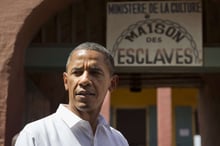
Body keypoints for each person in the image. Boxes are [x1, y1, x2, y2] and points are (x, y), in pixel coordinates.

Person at [15, 42, 129, 146]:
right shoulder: (35, 135)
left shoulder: (118, 140)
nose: (84, 80)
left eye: (95, 73)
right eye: (77, 72)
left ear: (112, 83)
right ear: (66, 81)